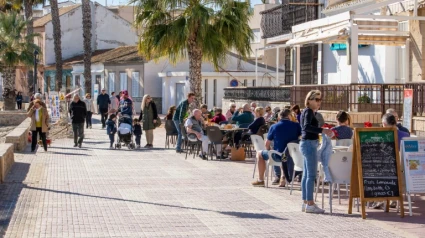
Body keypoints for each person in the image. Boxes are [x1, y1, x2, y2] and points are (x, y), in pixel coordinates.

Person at [300, 90, 333, 214]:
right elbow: (306, 127)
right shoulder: (308, 112)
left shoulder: (307, 112)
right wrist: (322, 130)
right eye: (317, 99)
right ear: (309, 100)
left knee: (306, 175)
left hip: (306, 143)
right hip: (309, 144)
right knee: (311, 175)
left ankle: (306, 202)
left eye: (320, 99)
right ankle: (310, 203)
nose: (319, 102)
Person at [252, 109, 301, 187]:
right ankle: (283, 176)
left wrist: (268, 150)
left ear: (279, 117)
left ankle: (261, 180)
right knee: (284, 155)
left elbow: (267, 143)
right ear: (289, 116)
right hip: (292, 156)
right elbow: (300, 138)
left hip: (277, 155)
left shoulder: (274, 126)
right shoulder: (296, 125)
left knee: (259, 154)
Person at [372, 113, 410, 210]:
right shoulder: (405, 135)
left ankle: (380, 199)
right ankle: (392, 199)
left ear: (384, 124)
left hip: (386, 171)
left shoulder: (382, 136)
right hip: (404, 172)